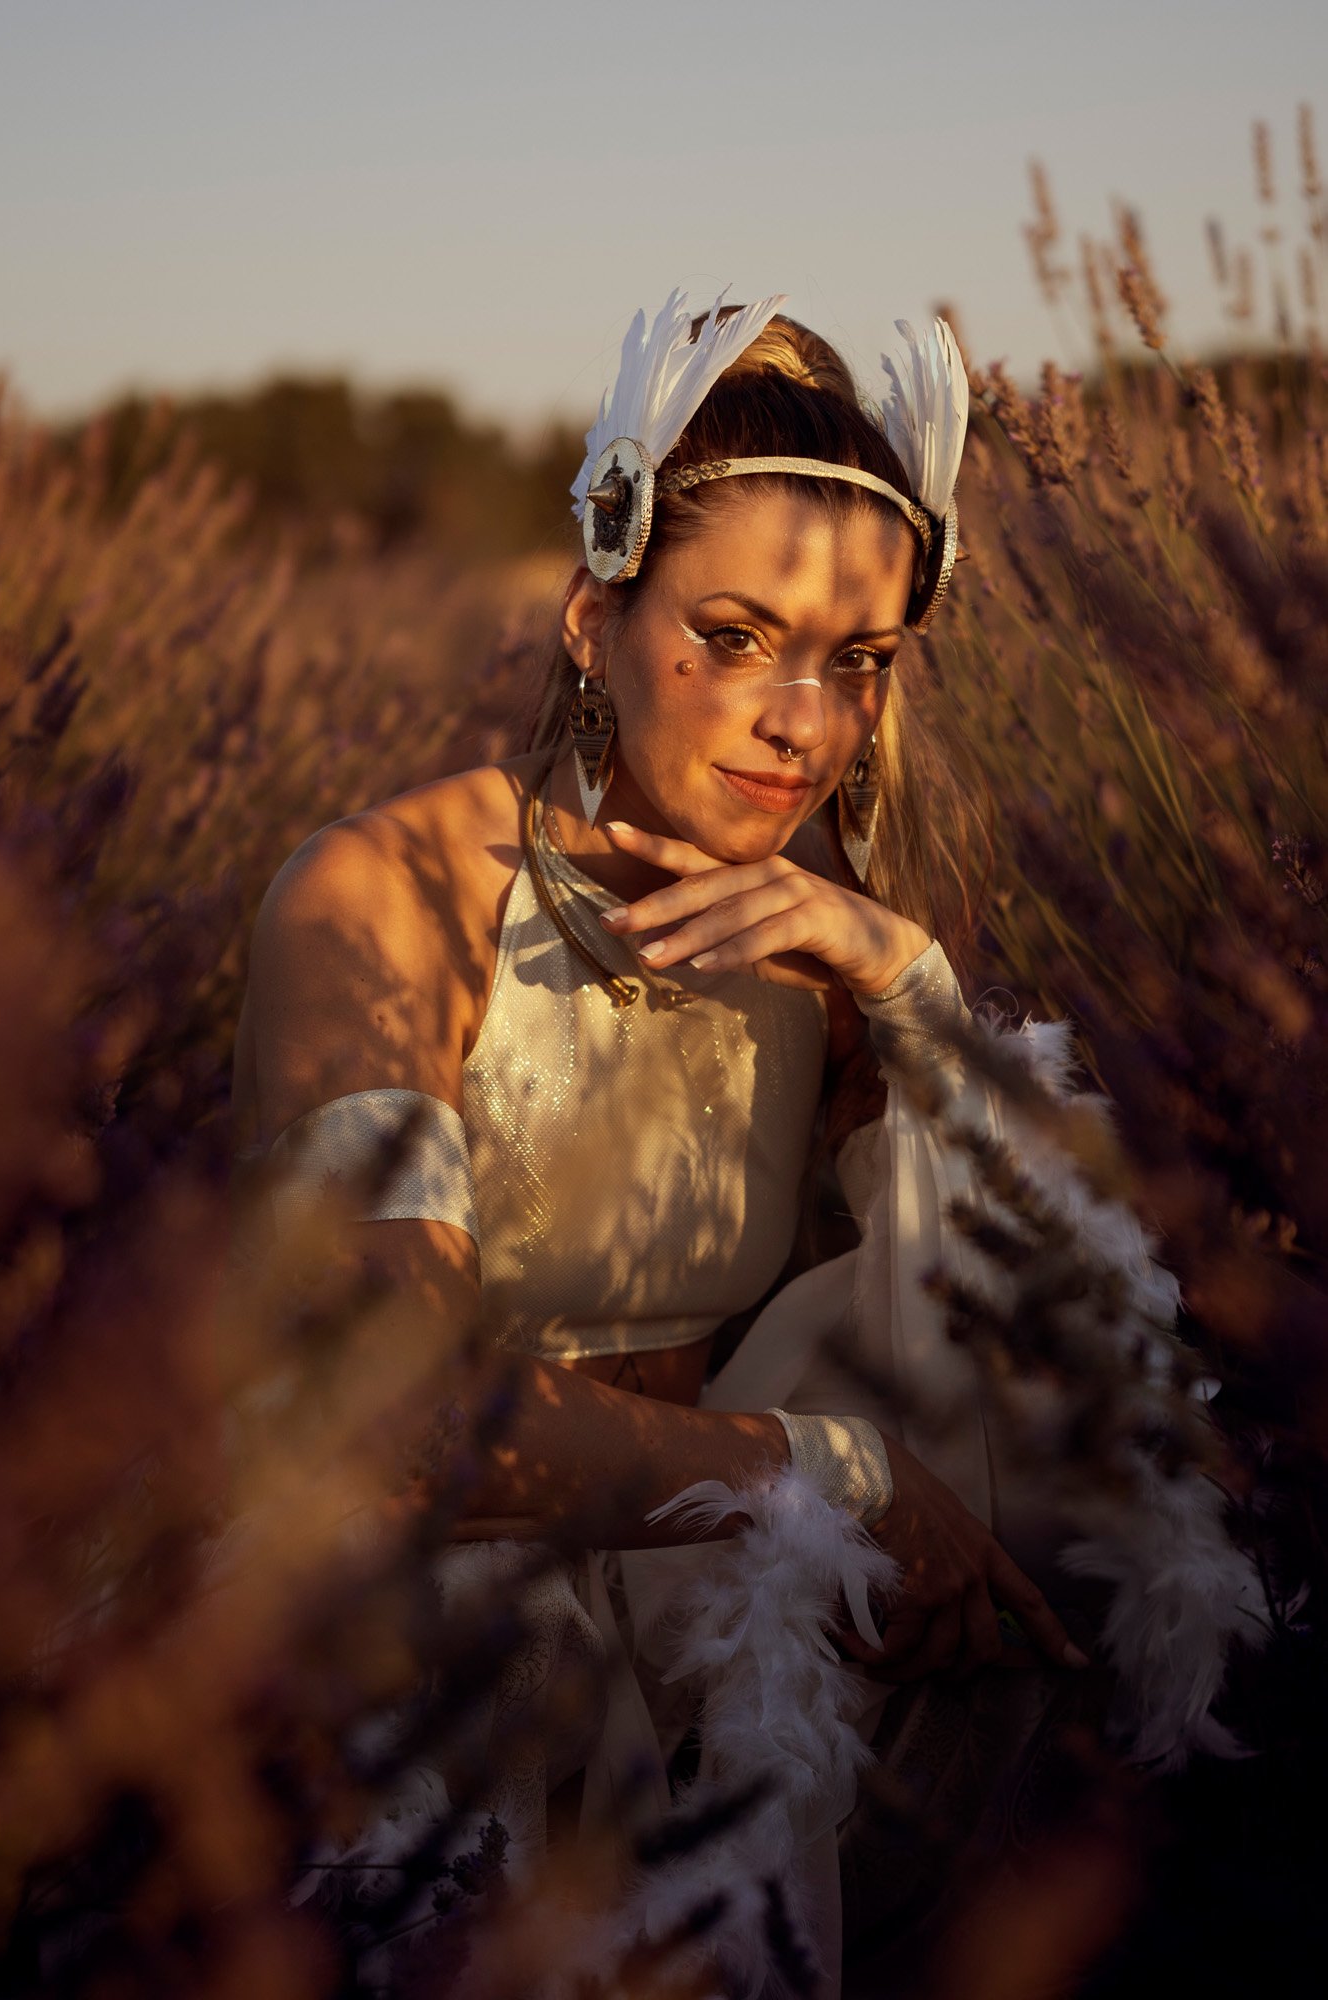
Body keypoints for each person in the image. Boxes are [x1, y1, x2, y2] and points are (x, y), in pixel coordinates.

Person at [232, 293, 1255, 1995]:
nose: (799, 719)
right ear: (590, 617)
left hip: (701, 1587)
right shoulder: (386, 899)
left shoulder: (822, 945)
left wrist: (904, 980)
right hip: (407, 1609)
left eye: (854, 663)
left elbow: (1079, 1340)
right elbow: (391, 1414)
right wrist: (834, 1481)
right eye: (730, 633)